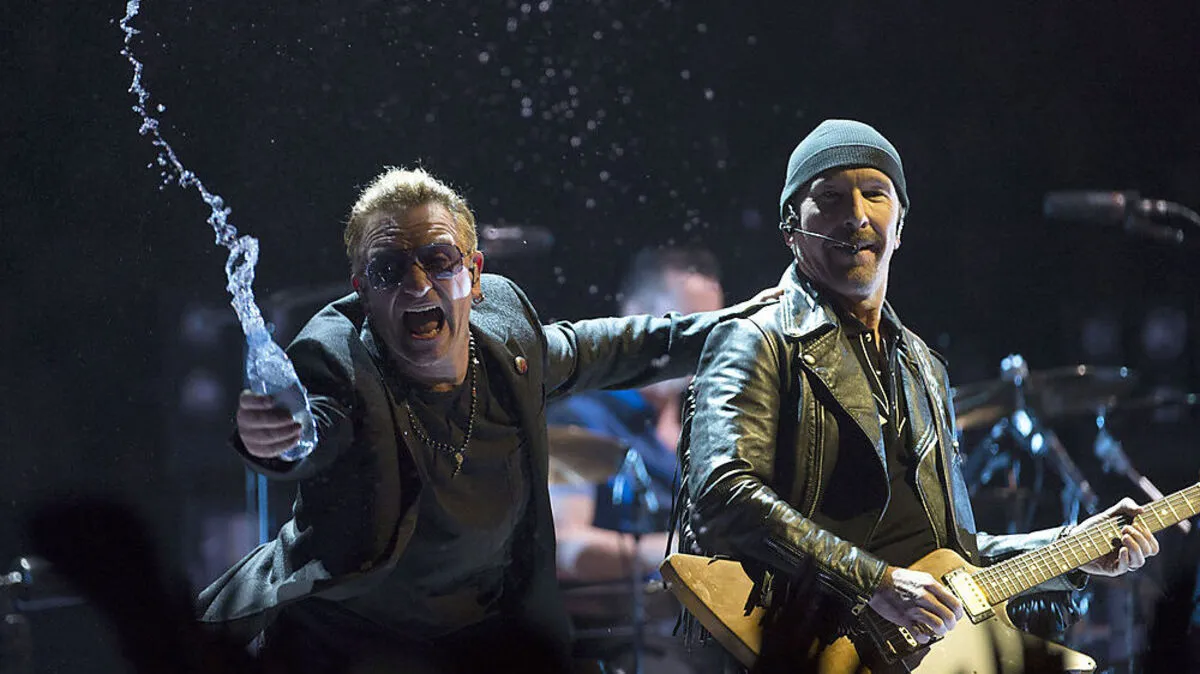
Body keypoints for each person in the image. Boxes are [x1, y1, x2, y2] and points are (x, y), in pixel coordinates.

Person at [194, 167, 777, 674]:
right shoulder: (337, 362)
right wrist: (280, 438)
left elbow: (620, 345)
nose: (417, 283)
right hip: (347, 642)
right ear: (363, 292)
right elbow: (314, 423)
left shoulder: (508, 344)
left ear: (472, 274)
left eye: (438, 260)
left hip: (481, 641)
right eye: (389, 269)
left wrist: (750, 326)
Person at [679, 119, 1161, 671]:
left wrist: (1074, 548)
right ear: (791, 228)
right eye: (830, 198)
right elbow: (722, 497)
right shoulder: (755, 339)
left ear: (900, 226)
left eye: (875, 194)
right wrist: (876, 583)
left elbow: (957, 562)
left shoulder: (924, 367)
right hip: (806, 647)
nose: (856, 215)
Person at [547, 246, 725, 583]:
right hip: (621, 615)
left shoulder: (708, 427)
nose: (699, 345)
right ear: (635, 317)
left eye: (709, 330)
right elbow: (565, 546)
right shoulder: (582, 418)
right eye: (686, 324)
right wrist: (683, 552)